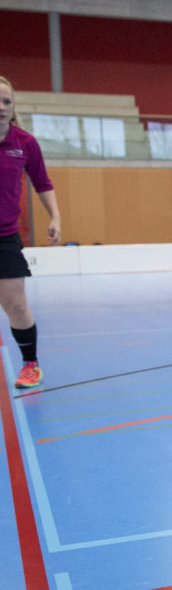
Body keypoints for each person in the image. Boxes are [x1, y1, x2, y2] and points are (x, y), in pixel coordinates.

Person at [0, 76, 59, 389]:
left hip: (4, 236)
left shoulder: (25, 143)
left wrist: (55, 216)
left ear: (13, 107)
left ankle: (30, 365)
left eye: (6, 101)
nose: (1, 107)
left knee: (17, 305)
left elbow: (42, 182)